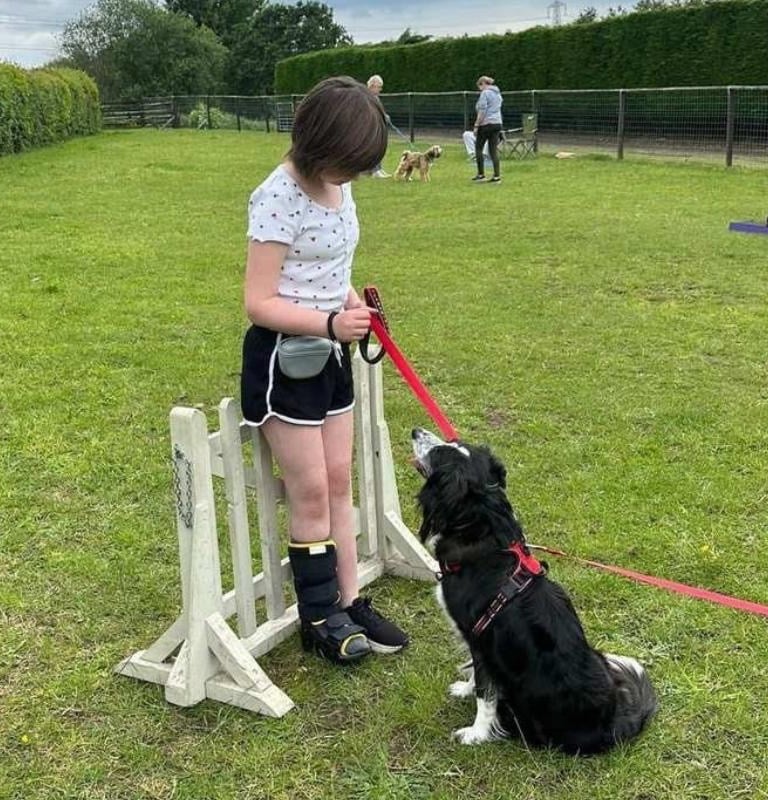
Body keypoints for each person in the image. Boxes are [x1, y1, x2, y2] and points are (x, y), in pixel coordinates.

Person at [240, 76, 409, 664]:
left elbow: (331, 272)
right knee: (310, 490)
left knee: (339, 479)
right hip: (285, 360)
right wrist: (330, 325)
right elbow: (259, 301)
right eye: (351, 163)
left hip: (329, 351)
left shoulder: (338, 188)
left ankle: (350, 599)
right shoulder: (278, 195)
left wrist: (348, 305)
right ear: (320, 144)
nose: (357, 175)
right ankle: (319, 616)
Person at [472, 75, 503, 183]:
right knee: (493, 150)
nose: (479, 90)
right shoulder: (498, 94)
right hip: (497, 123)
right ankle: (497, 176)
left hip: (486, 124)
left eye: (479, 87)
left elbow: (482, 111)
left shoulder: (485, 93)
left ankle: (481, 175)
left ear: (483, 84)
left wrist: (476, 125)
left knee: (478, 148)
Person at [366, 75, 390, 178]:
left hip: (378, 126)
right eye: (379, 87)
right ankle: (375, 171)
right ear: (372, 85)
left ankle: (379, 169)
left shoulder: (376, 97)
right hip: (370, 127)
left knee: (379, 147)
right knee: (374, 148)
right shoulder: (367, 96)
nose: (380, 89)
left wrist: (385, 116)